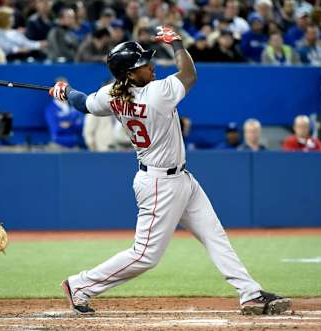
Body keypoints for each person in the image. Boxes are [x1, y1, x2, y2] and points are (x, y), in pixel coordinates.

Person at [48, 26, 291, 316]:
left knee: (214, 235)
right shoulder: (155, 94)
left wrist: (66, 92)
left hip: (180, 179)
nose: (150, 66)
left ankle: (249, 293)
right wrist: (176, 43)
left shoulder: (111, 94)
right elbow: (189, 75)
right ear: (129, 74)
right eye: (142, 65)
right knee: (145, 255)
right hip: (158, 184)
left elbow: (85, 103)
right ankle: (80, 285)